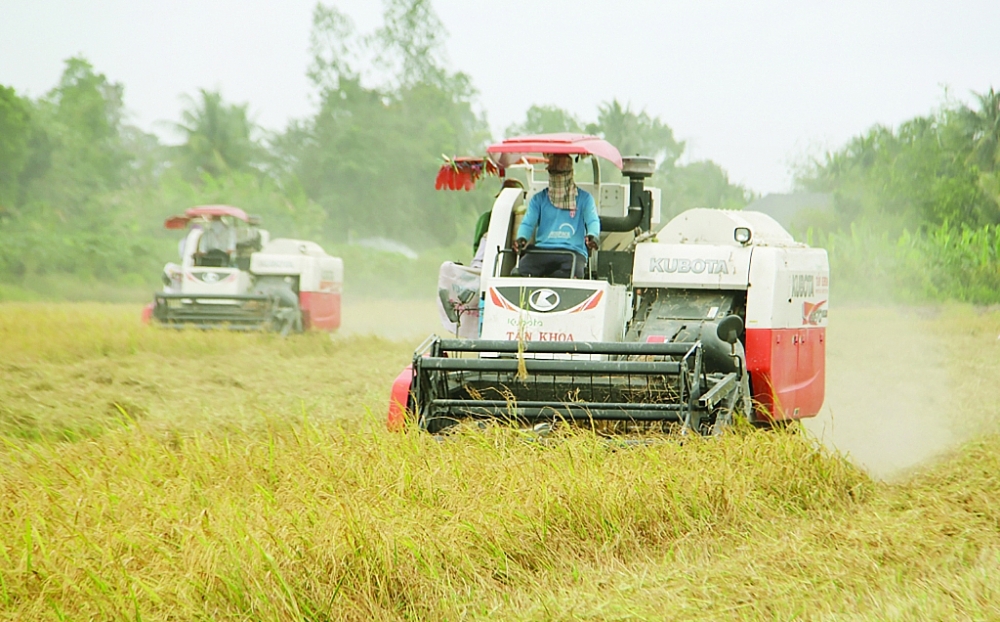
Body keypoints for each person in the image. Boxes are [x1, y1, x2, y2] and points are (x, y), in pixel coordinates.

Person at [513, 153, 599, 278]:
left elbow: (592, 221)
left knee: (574, 275)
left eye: (561, 173)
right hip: (542, 250)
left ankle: (546, 282)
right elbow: (528, 223)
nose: (557, 176)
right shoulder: (539, 199)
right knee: (519, 272)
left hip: (573, 252)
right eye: (553, 172)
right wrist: (521, 237)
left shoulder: (584, 199)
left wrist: (593, 235)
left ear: (570, 173)